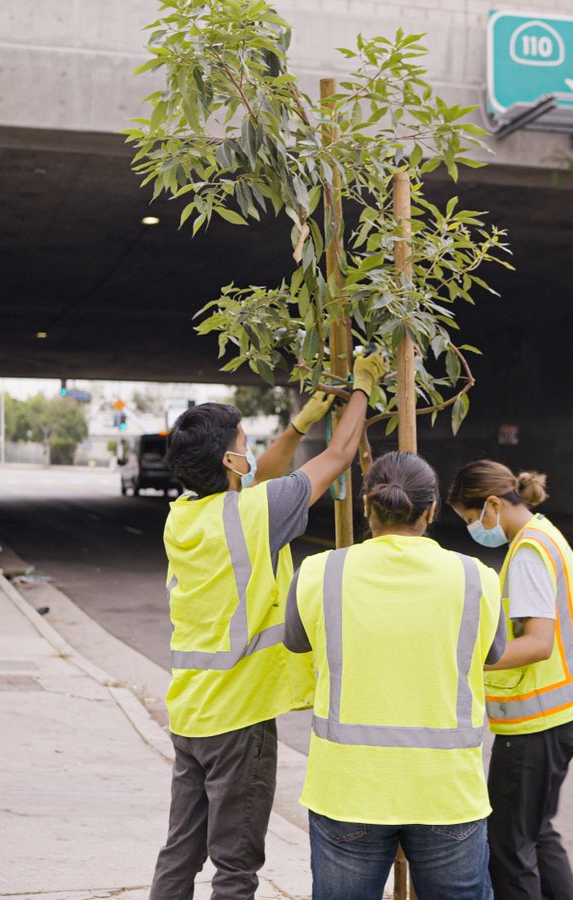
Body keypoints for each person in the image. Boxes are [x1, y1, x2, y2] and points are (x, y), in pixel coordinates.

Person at [149, 350, 385, 900]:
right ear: (231, 464)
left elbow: (267, 478)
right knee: (235, 865)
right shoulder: (256, 514)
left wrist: (298, 423)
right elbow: (341, 453)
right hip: (240, 717)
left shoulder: (182, 516)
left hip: (190, 712)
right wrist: (363, 390)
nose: (250, 454)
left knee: (179, 854)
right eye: (243, 446)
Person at [285, 451, 506, 900]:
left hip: (348, 789)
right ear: (431, 510)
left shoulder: (319, 572)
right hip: (445, 792)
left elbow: (294, 640)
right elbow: (495, 651)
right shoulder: (477, 577)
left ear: (366, 504)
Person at [448, 460, 573, 900]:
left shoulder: (527, 553)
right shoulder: (545, 534)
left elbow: (538, 642)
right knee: (536, 833)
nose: (474, 528)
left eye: (471, 519)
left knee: (508, 846)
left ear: (493, 504)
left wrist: (463, 663)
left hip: (538, 720)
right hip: (568, 710)